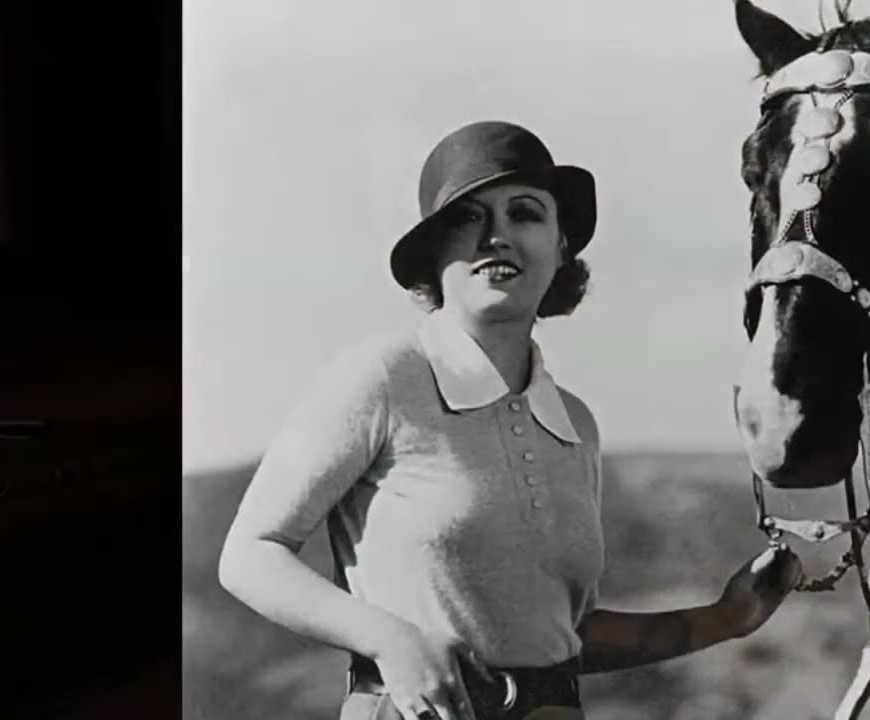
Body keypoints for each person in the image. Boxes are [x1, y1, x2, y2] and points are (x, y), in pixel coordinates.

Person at [217, 120, 803, 720]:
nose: (496, 237)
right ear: (435, 252)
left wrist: (722, 621)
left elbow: (559, 637)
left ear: (561, 246)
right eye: (468, 219)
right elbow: (250, 555)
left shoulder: (573, 422)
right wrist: (389, 639)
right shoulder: (382, 378)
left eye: (524, 214)